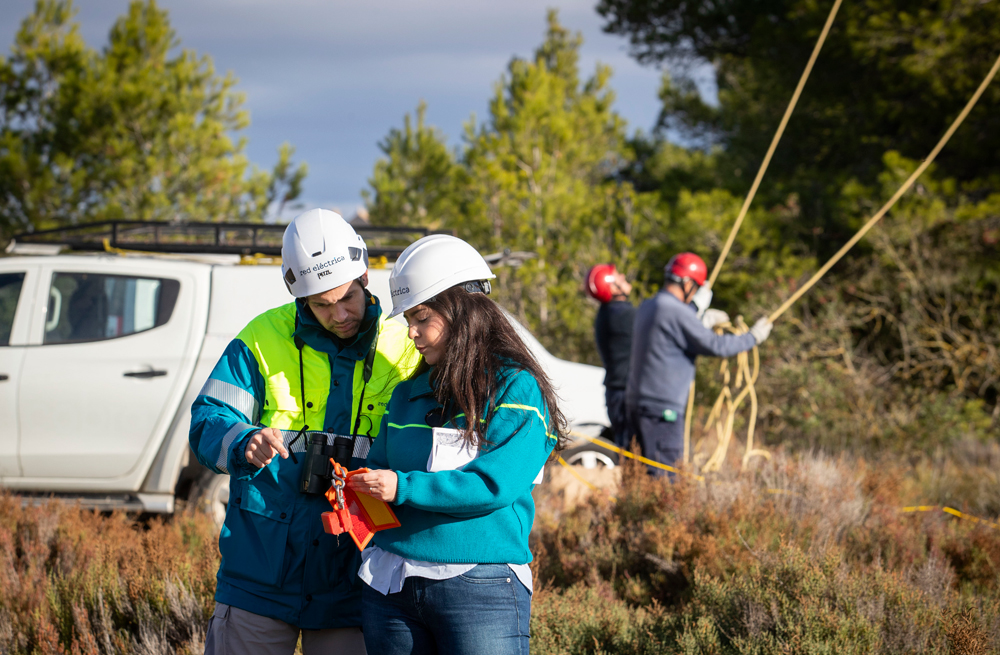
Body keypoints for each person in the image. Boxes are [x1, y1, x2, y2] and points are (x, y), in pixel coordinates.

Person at [189, 209, 420, 655]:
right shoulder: (260, 338)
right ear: (299, 297)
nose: (339, 314)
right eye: (321, 304)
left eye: (347, 298)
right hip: (259, 573)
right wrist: (241, 440)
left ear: (365, 276)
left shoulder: (404, 347)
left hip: (356, 578)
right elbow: (205, 422)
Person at [346, 234, 567, 655]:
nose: (410, 332)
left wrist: (403, 488)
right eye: (408, 318)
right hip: (392, 585)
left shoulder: (516, 387)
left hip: (480, 587)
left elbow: (494, 484)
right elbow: (379, 470)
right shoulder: (407, 394)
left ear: (463, 311)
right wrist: (356, 492)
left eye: (421, 317)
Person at [625, 252, 772, 475]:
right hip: (662, 412)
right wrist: (752, 337)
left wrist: (695, 309)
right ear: (688, 283)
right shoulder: (675, 312)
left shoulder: (649, 305)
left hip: (638, 404)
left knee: (638, 475)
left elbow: (676, 323)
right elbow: (715, 345)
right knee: (665, 478)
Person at [585, 263, 636, 449]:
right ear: (612, 287)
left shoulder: (610, 313)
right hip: (626, 395)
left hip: (619, 393)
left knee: (630, 454)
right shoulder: (622, 315)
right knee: (637, 454)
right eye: (618, 276)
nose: (623, 276)